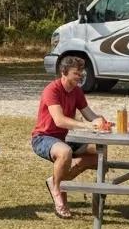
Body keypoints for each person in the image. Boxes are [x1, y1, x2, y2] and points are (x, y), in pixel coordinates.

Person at [31, 56, 112, 219]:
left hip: (64, 137)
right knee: (65, 152)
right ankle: (57, 192)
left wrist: (102, 121)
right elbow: (59, 120)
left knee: (98, 154)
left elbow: (90, 115)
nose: (80, 76)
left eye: (81, 72)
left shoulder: (77, 91)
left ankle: (55, 181)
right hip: (43, 137)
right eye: (76, 73)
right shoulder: (51, 90)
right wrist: (88, 125)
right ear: (64, 72)